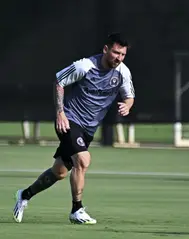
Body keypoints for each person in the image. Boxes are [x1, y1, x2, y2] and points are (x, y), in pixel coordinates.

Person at [13, 33, 135, 224]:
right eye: (115, 52)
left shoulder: (123, 72)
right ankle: (76, 210)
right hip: (69, 120)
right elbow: (59, 81)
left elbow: (129, 96)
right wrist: (60, 112)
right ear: (105, 49)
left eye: (123, 55)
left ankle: (24, 195)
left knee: (60, 172)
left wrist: (127, 105)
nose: (118, 58)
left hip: (88, 129)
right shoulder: (85, 66)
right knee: (83, 160)